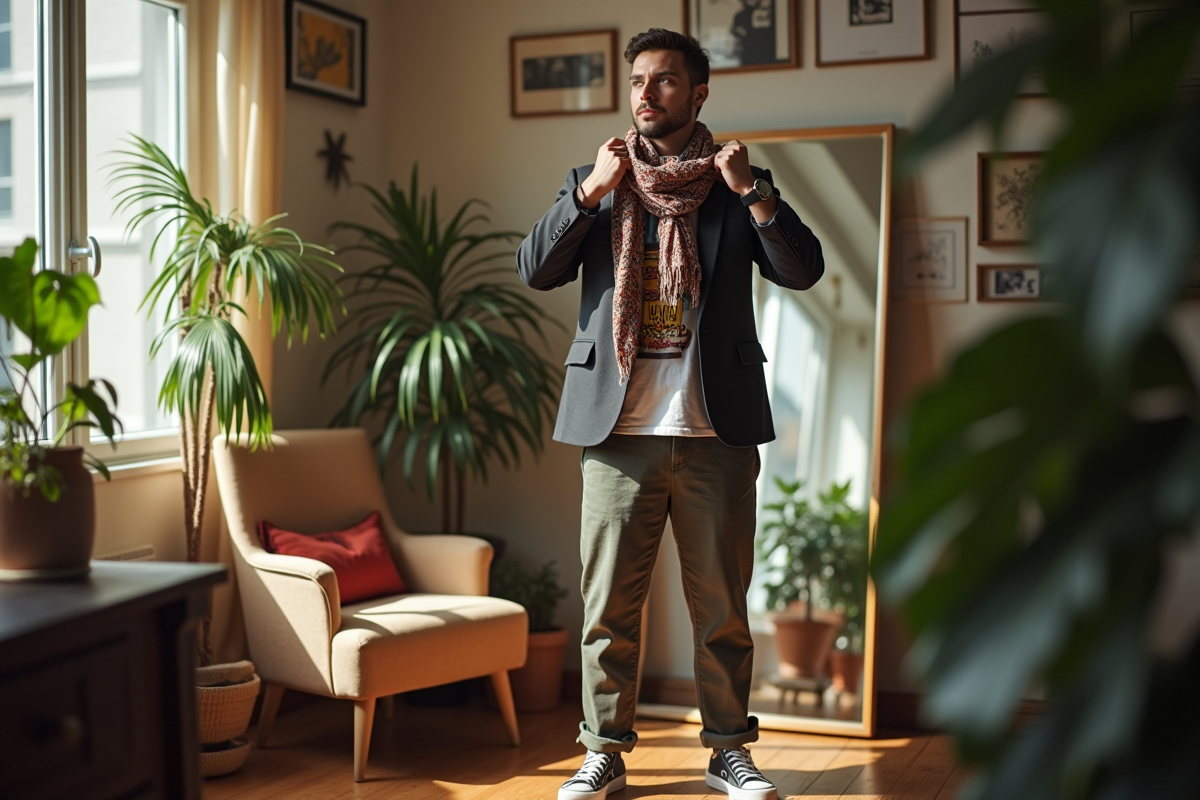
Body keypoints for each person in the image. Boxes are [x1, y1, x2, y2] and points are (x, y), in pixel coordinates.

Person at [516, 27, 823, 800]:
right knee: (606, 611)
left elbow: (803, 268)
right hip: (616, 430)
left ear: (698, 93)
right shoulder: (596, 179)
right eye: (638, 82)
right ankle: (603, 750)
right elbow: (535, 267)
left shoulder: (735, 185)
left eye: (663, 81)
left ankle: (728, 751)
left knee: (722, 610)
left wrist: (753, 190)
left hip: (714, 429)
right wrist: (590, 194)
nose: (646, 94)